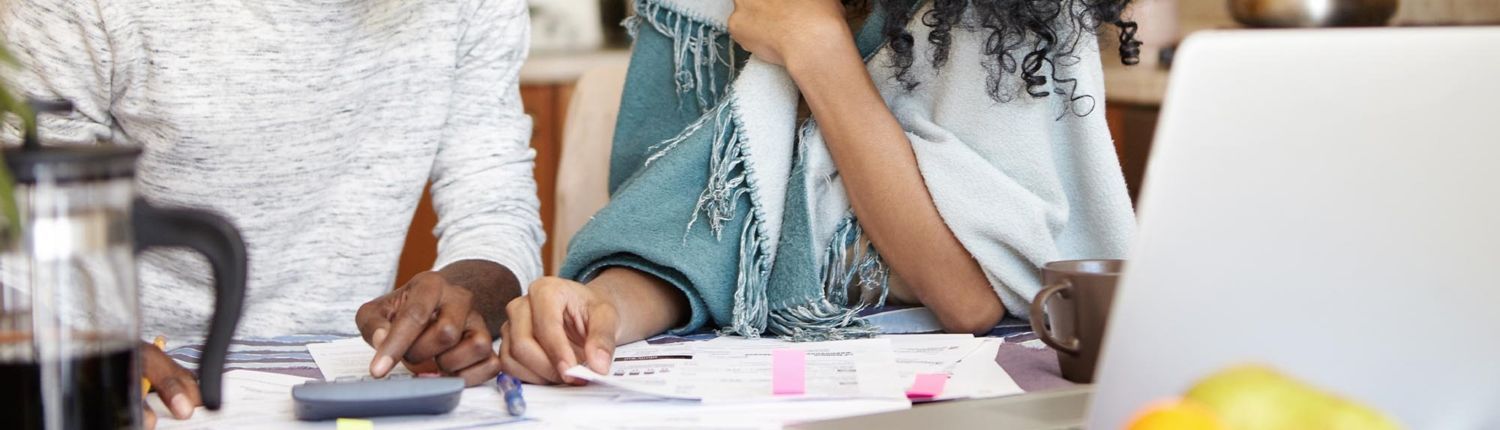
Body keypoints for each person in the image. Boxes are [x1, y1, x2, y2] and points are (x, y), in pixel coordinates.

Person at [498, 0, 1139, 385]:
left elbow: (966, 297)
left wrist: (817, 46)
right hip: (762, 380)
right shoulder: (699, 11)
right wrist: (602, 307)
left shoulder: (1013, 18)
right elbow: (698, 224)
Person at [1, 0, 539, 425]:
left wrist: (464, 296)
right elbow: (12, 234)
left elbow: (494, 203)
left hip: (355, 390)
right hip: (141, 399)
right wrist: (77, 353)